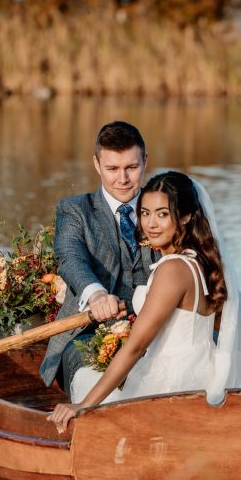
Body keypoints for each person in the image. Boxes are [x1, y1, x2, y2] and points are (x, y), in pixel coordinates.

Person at [47, 172, 241, 432]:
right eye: (145, 213)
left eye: (162, 214)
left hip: (170, 382)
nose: (151, 224)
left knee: (86, 380)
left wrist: (84, 405)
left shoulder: (172, 270)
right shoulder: (206, 264)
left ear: (184, 217)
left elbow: (137, 346)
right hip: (205, 373)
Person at [39, 121, 156, 394]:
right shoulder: (75, 210)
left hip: (157, 332)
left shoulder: (163, 209)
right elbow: (70, 257)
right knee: (99, 388)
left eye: (131, 167)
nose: (122, 179)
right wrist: (96, 295)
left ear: (145, 161)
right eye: (112, 169)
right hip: (87, 334)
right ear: (96, 164)